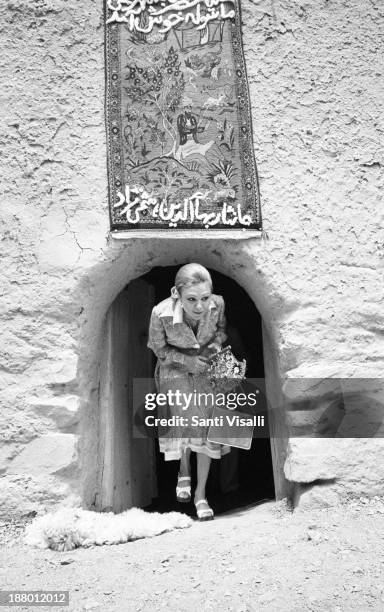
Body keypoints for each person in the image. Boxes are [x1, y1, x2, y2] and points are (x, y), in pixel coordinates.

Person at [147, 263, 230, 521]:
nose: (199, 306)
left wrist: (214, 348)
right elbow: (159, 350)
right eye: (191, 299)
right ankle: (184, 469)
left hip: (207, 371)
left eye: (205, 298)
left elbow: (221, 332)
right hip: (175, 371)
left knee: (207, 431)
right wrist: (188, 362)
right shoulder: (160, 313)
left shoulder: (218, 304)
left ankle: (200, 495)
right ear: (176, 294)